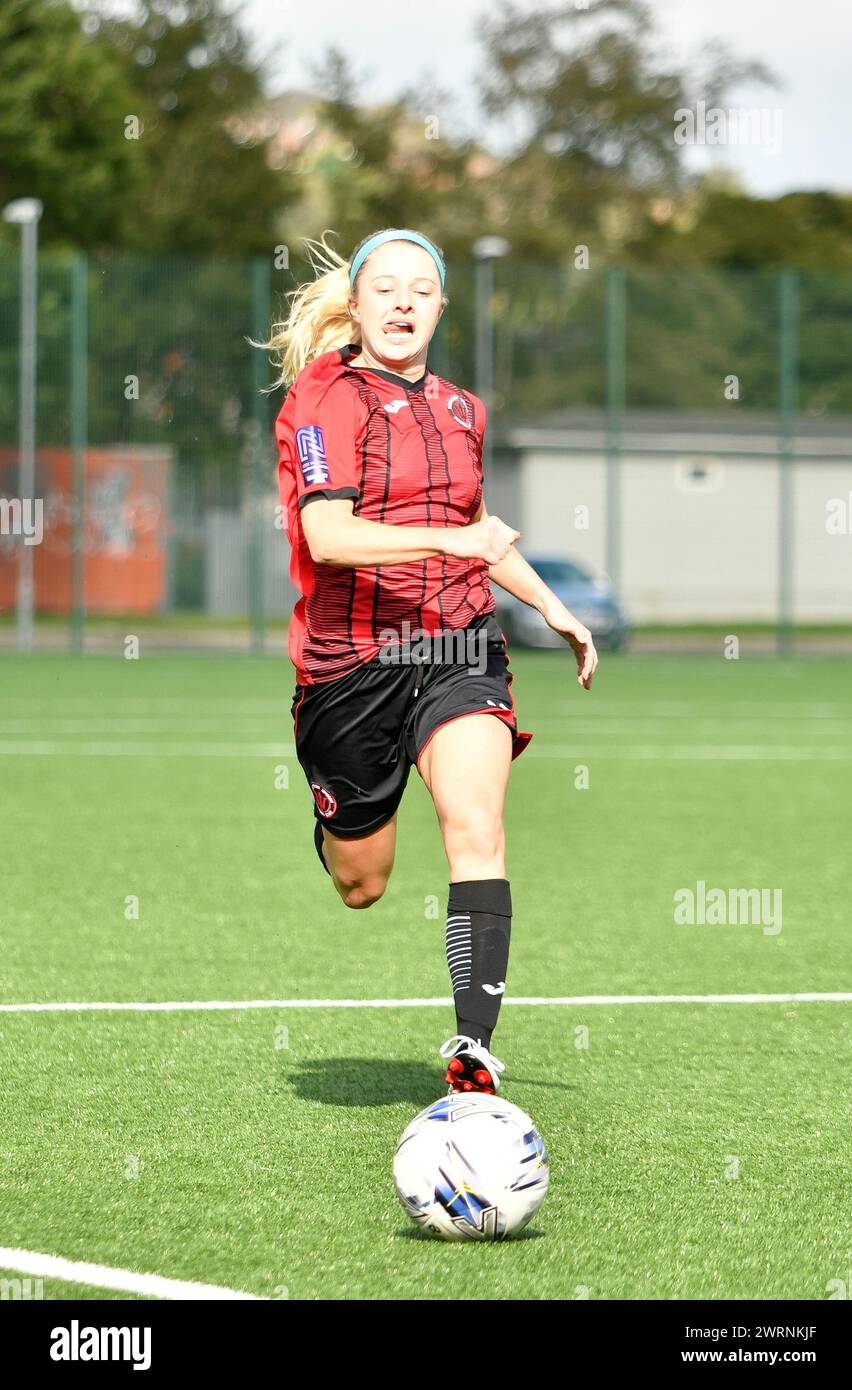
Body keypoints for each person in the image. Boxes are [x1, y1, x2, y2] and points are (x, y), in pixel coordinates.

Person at [260, 228, 597, 1094]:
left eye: (421, 289)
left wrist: (553, 606)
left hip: (458, 645)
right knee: (362, 883)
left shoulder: (463, 410)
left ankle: (472, 1049)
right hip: (348, 668)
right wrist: (455, 539)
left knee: (477, 827)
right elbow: (327, 537)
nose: (404, 302)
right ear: (358, 304)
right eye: (386, 288)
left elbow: (481, 531)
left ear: (442, 307)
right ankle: (338, 820)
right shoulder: (321, 398)